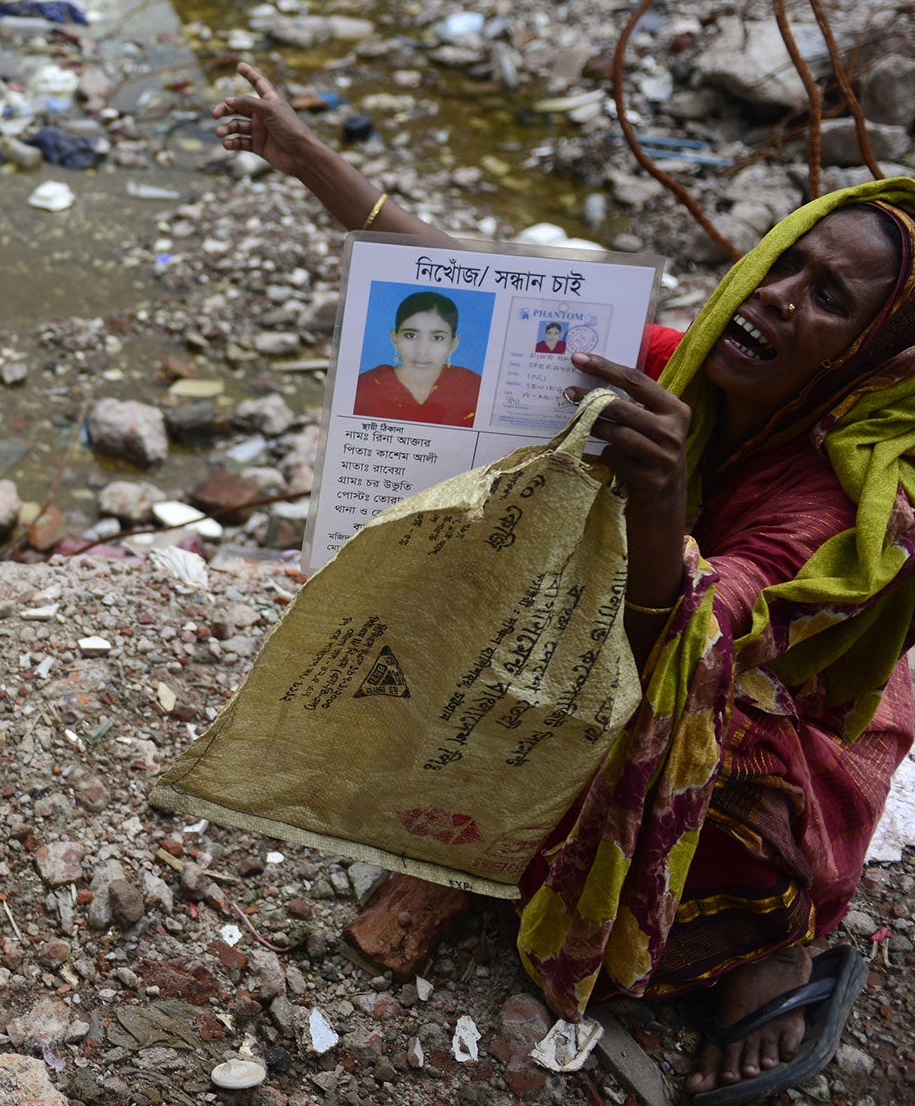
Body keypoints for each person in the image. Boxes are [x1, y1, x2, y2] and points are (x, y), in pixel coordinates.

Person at [215, 62, 915, 1099]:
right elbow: (489, 305)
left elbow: (684, 655)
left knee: (681, 808)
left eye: (825, 298)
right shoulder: (693, 373)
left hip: (758, 726)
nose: (769, 298)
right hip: (629, 647)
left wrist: (659, 501)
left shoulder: (840, 511)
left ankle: (776, 949)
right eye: (784, 262)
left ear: (873, 358)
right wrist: (305, 157)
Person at [353, 289, 482, 427]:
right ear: (394, 337)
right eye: (410, 335)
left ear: (453, 343)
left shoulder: (473, 389)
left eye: (437, 338)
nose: (422, 350)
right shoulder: (366, 388)